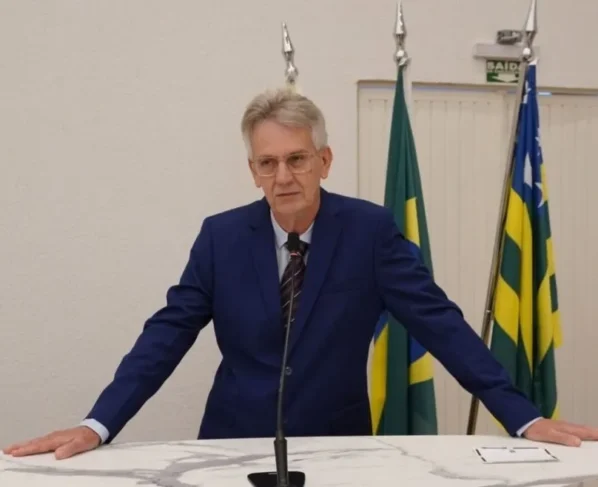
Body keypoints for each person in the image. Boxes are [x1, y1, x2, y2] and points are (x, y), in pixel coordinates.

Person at [4, 88, 598, 460]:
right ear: (252, 170)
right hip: (232, 447)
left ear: (324, 160)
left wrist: (521, 415)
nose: (283, 176)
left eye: (296, 159)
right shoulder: (220, 237)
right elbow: (165, 335)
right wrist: (98, 423)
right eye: (267, 163)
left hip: (337, 448)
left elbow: (441, 325)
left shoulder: (369, 232)